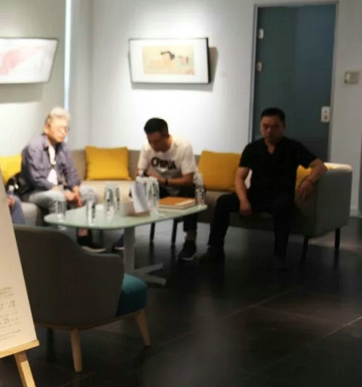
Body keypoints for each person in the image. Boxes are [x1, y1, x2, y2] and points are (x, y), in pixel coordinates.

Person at [202, 107, 326, 270]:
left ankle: (280, 255)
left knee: (284, 207)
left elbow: (320, 166)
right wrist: (243, 200)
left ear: (283, 127)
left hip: (281, 195)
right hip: (256, 194)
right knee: (223, 202)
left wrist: (309, 181)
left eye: (274, 127)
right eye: (265, 127)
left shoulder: (293, 147)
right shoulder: (253, 148)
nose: (269, 131)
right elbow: (239, 177)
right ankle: (214, 249)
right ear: (260, 126)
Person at [114, 118, 199, 260]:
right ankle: (129, 234)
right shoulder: (147, 147)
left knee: (190, 191)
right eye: (150, 141)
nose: (153, 145)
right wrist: (142, 177)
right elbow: (139, 171)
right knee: (138, 187)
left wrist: (162, 180)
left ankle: (190, 241)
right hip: (163, 187)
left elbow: (188, 180)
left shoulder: (183, 147)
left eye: (157, 141)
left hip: (185, 187)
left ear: (166, 136)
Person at [19, 107, 99, 248]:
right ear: (47, 128)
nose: (63, 133)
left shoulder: (63, 147)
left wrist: (75, 190)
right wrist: (63, 193)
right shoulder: (33, 147)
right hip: (33, 191)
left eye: (66, 129)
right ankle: (61, 245)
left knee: (90, 194)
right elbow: (37, 179)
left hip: (56, 188)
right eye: (59, 129)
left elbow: (71, 172)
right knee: (58, 198)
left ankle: (84, 238)